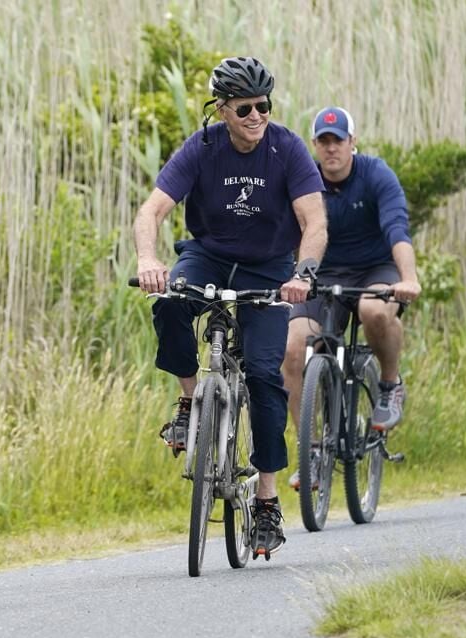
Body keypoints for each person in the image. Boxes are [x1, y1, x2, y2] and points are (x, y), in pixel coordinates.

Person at [133, 57, 328, 559]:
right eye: (245, 108)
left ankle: (265, 501)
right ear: (221, 109)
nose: (257, 116)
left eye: (264, 105)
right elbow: (153, 210)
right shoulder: (201, 149)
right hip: (210, 255)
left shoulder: (287, 149)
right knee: (170, 301)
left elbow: (314, 221)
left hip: (269, 268)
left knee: (265, 376)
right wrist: (148, 258)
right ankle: (188, 400)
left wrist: (302, 273)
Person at [283, 106, 421, 491]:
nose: (331, 149)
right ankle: (310, 450)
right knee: (294, 348)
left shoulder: (376, 174)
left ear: (352, 142)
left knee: (374, 311)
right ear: (314, 145)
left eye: (338, 140)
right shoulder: (305, 181)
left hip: (375, 270)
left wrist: (408, 278)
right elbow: (286, 235)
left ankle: (390, 385)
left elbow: (397, 229)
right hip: (322, 275)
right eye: (323, 142)